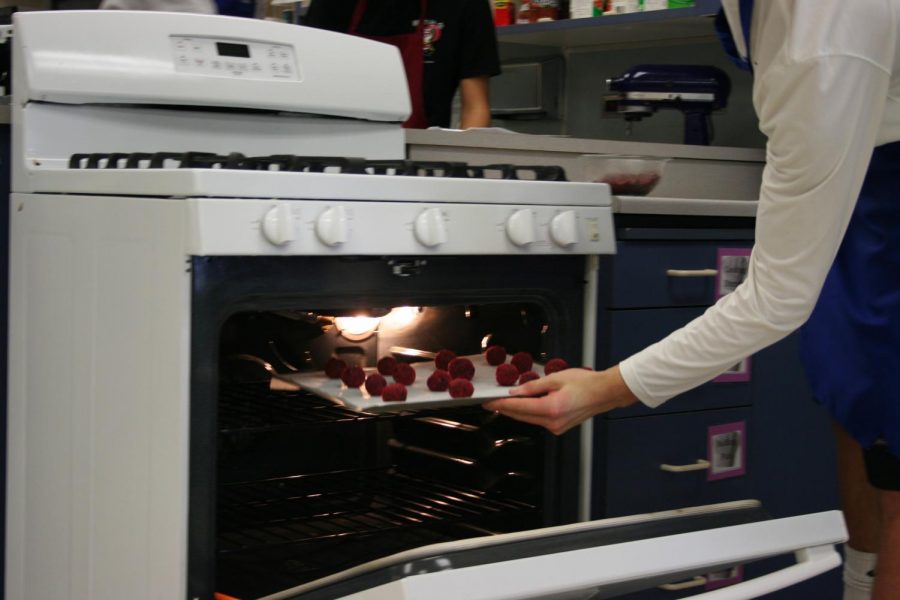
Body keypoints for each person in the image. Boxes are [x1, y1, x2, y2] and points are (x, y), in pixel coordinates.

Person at [483, 2, 900, 599]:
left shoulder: (822, 33)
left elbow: (777, 300)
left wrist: (602, 389)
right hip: (870, 193)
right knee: (858, 408)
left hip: (885, 182)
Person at [303, 0, 500, 129]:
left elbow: (476, 108)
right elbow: (309, 97)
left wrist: (460, 175)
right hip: (340, 157)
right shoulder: (332, 5)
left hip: (424, 164)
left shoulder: (465, 5)